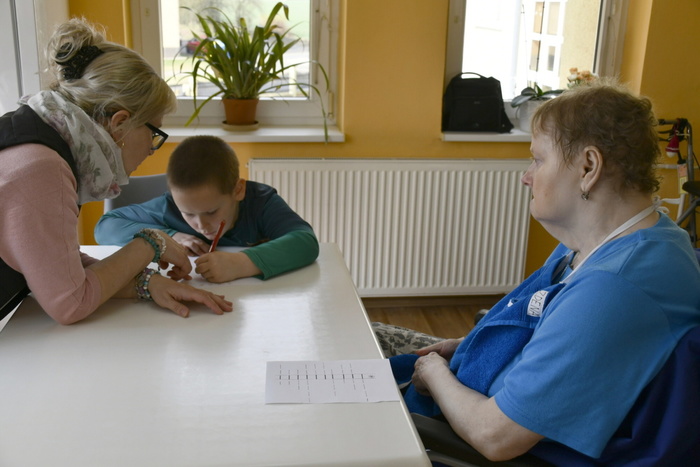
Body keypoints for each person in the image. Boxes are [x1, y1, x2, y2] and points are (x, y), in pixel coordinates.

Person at [377, 79, 700, 462]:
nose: (526, 176)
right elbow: (562, 335)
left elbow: (495, 436)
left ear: (588, 166)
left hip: (470, 436)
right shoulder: (616, 243)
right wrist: (467, 345)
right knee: (371, 340)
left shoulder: (615, 287)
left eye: (538, 159)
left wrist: (433, 372)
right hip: (482, 384)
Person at [0, 18, 232, 325]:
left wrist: (146, 283)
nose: (152, 149)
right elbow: (70, 302)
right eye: (154, 133)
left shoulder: (42, 140)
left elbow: (55, 265)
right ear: (120, 122)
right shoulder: (43, 168)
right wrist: (151, 243)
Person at [94, 135, 319, 283]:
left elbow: (305, 241)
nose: (201, 225)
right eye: (188, 214)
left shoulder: (261, 203)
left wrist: (241, 263)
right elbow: (105, 227)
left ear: (238, 190)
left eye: (211, 212)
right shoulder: (168, 206)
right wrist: (168, 237)